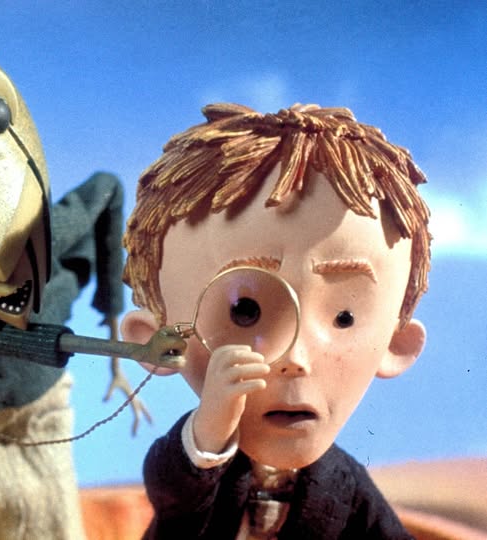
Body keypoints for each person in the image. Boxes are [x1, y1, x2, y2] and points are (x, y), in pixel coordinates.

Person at [121, 103, 430, 538]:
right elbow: (173, 491)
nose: (294, 358)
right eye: (245, 312)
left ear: (397, 346)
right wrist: (210, 431)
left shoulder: (347, 490)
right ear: (155, 341)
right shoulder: (191, 472)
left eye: (344, 317)